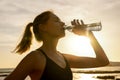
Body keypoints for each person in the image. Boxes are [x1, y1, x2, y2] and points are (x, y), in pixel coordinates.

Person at [4, 11, 109, 80]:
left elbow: (103, 61)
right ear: (43, 27)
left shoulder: (64, 58)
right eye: (56, 21)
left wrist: (89, 34)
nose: (63, 23)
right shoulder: (36, 57)